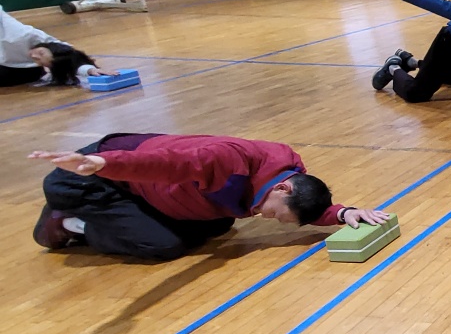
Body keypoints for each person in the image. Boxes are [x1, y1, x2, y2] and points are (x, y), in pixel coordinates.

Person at [29, 133, 388, 261]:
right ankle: (69, 224)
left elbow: (305, 207)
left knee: (219, 226)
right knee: (163, 245)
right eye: (277, 215)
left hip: (138, 182)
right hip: (96, 177)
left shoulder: (289, 173)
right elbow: (169, 165)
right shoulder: (227, 161)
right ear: (283, 189)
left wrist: (342, 214)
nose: (271, 220)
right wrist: (105, 164)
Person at [1, 6, 111, 88]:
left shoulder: (41, 54)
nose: (34, 56)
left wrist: (90, 70)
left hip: (18, 68)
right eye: (41, 53)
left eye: (41, 62)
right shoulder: (23, 35)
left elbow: (70, 58)